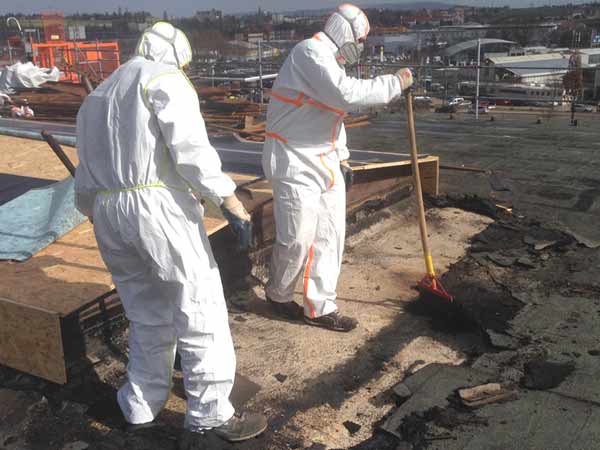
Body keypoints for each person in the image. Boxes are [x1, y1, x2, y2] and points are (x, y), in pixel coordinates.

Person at [74, 22, 267, 447]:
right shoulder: (164, 79)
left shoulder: (97, 95)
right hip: (156, 208)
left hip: (107, 210)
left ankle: (139, 407)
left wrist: (99, 214)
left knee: (146, 314)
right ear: (177, 56)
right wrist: (227, 200)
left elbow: (84, 175)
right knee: (199, 309)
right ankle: (209, 418)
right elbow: (192, 152)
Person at [262, 4, 414, 332]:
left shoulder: (330, 61)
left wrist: (341, 155)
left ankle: (320, 308)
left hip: (326, 159)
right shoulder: (310, 53)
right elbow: (343, 96)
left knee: (330, 235)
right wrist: (394, 84)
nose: (360, 47)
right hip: (293, 157)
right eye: (359, 40)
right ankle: (278, 293)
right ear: (345, 33)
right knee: (298, 237)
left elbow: (329, 116)